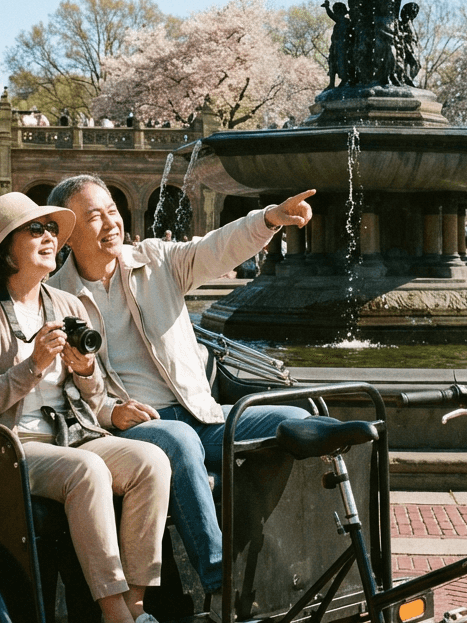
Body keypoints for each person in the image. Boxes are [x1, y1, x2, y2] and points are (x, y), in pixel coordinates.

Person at [48, 174, 312, 595]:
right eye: (94, 217)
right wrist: (111, 413)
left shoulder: (156, 260)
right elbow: (59, 390)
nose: (111, 222)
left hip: (200, 413)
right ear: (68, 234)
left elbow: (214, 249)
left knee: (296, 420)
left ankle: (259, 555)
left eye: (113, 210)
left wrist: (269, 219)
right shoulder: (55, 298)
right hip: (135, 427)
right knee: (179, 440)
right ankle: (218, 580)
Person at [0, 192, 169, 623]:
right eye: (35, 229)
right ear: (6, 248)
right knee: (87, 472)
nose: (49, 236)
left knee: (151, 462)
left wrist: (85, 369)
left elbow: (93, 394)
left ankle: (136, 605)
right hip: (13, 446)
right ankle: (113, 613)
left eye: (52, 228)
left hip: (73, 434)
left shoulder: (66, 305)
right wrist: (32, 367)